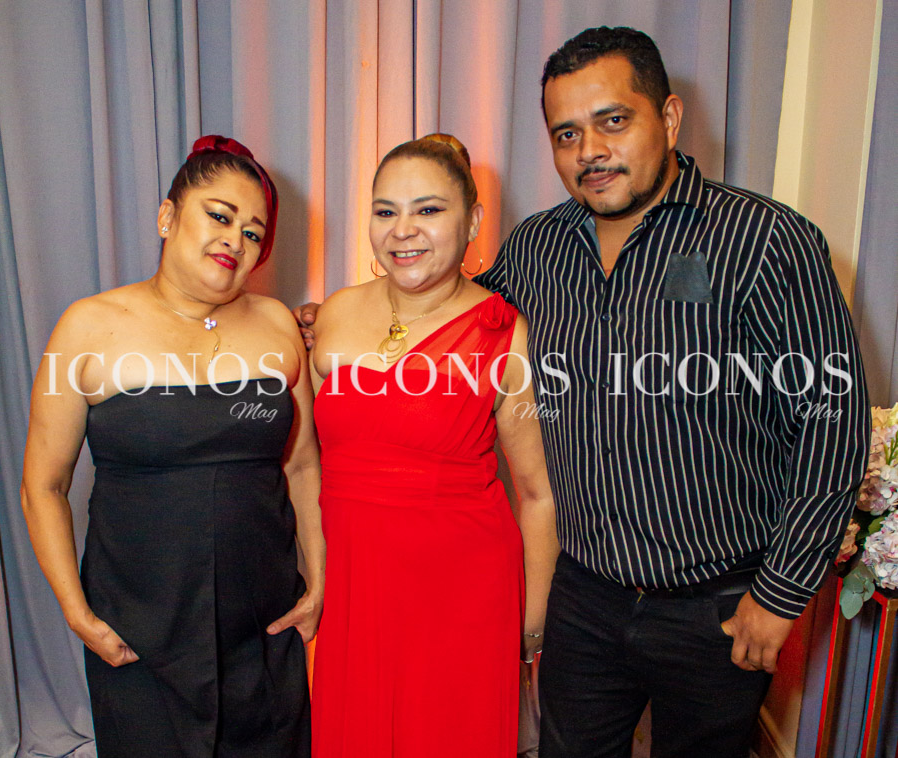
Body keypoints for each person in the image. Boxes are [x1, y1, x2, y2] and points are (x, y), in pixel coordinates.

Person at [298, 28, 870, 758]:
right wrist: (329, 322)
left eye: (613, 121)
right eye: (566, 133)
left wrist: (781, 592)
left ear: (669, 118)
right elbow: (449, 313)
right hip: (584, 597)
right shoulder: (539, 248)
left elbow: (832, 420)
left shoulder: (765, 241)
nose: (589, 150)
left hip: (718, 605)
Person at [21, 135, 324, 758]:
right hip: (140, 635)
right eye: (220, 216)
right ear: (167, 216)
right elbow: (42, 487)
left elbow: (301, 466)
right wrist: (78, 613)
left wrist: (318, 581)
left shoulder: (277, 324)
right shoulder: (86, 326)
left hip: (262, 626)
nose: (236, 240)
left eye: (253, 232)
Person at [307, 133, 559, 758]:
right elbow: (305, 462)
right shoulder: (332, 314)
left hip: (462, 593)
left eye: (428, 209)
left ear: (472, 221)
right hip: (356, 590)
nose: (403, 230)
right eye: (385, 211)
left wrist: (531, 620)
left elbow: (537, 493)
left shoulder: (504, 333)